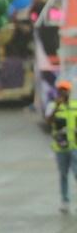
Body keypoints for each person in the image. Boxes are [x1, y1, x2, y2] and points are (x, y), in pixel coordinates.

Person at [47, 79, 77, 211]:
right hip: (61, 147)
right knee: (63, 174)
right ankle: (65, 201)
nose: (63, 92)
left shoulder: (75, 105)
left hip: (75, 146)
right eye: (60, 90)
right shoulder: (53, 105)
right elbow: (48, 121)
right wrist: (57, 107)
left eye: (65, 90)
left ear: (69, 91)